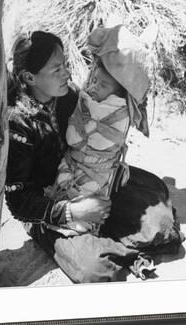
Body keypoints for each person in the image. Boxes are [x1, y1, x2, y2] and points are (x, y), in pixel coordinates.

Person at [5, 29, 184, 284]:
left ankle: (106, 232)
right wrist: (74, 211)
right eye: (56, 70)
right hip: (51, 205)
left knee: (161, 220)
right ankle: (119, 249)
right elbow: (18, 201)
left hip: (91, 178)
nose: (66, 73)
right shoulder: (18, 125)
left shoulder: (67, 96)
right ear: (29, 77)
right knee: (96, 270)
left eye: (65, 64)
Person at [46, 25, 151, 236]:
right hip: (85, 171)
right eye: (94, 81)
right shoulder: (100, 99)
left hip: (93, 174)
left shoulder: (113, 110)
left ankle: (79, 220)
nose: (93, 88)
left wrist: (84, 101)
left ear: (119, 94)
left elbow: (74, 138)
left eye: (101, 85)